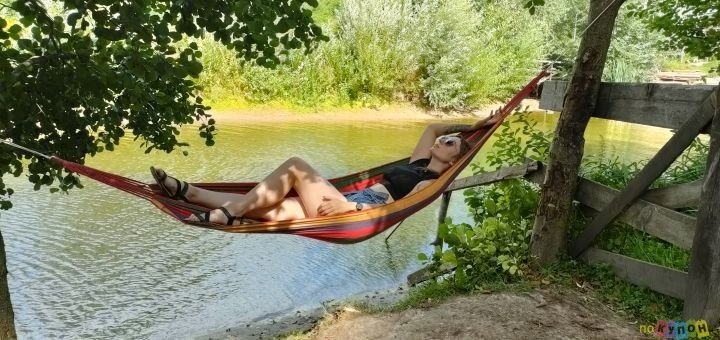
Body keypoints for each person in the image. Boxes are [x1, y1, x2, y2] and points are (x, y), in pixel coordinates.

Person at [150, 115, 498, 225]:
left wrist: (351, 208)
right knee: (269, 209)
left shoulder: (432, 181)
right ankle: (189, 194)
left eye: (453, 144)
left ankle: (226, 212)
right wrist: (475, 127)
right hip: (344, 199)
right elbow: (435, 129)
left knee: (296, 166)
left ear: (454, 161)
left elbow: (398, 207)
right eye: (449, 140)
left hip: (352, 209)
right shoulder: (418, 162)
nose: (446, 141)